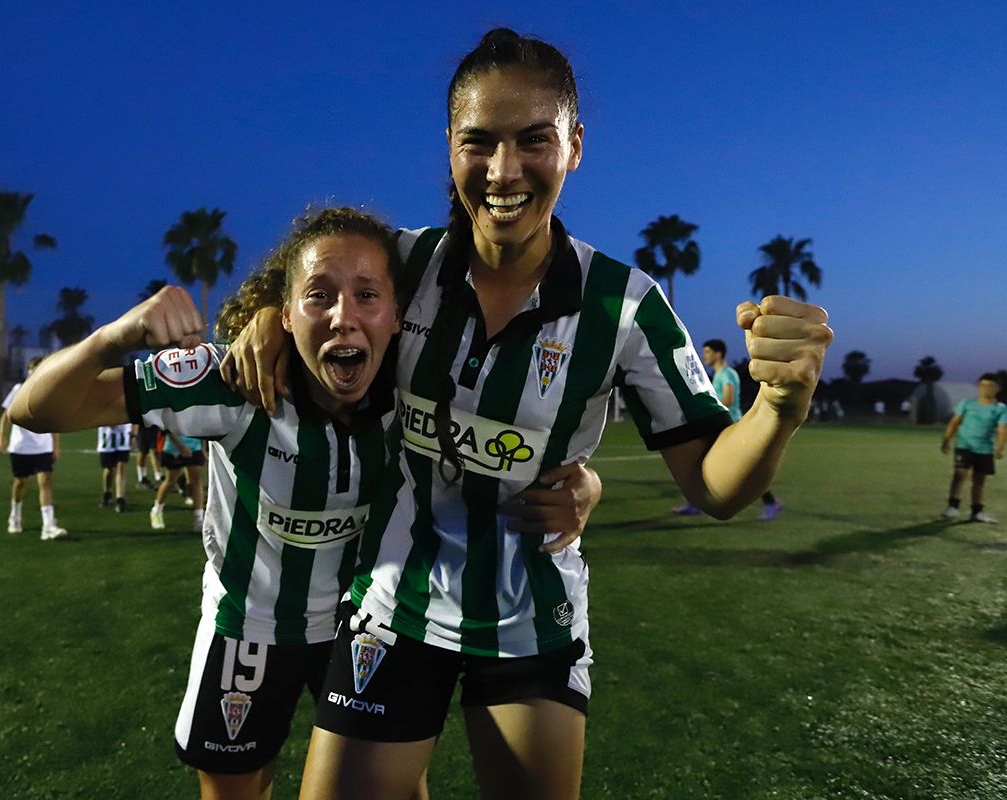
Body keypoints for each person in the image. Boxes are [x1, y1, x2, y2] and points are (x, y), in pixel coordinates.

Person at [222, 28, 833, 800]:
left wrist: (778, 405)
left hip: (531, 624)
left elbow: (713, 484)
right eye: (478, 142)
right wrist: (271, 321)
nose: (504, 171)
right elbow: (316, 295)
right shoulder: (402, 267)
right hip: (393, 606)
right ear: (448, 147)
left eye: (533, 140)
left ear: (574, 145)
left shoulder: (625, 306)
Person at [5, 206, 602, 800]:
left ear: (398, 315)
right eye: (318, 296)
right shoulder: (233, 382)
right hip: (249, 627)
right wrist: (114, 337)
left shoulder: (414, 384)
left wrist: (584, 485)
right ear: (285, 314)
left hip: (366, 622)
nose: (346, 317)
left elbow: (516, 438)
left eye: (368, 295)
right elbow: (36, 410)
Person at [673, 339, 783, 520]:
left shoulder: (727, 374)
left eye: (708, 352)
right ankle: (693, 504)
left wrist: (702, 412)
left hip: (730, 425)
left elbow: (729, 400)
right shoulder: (717, 375)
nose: (704, 356)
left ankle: (771, 503)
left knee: (747, 470)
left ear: (718, 354)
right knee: (700, 464)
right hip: (717, 425)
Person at [0, 357, 67, 540]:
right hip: (21, 447)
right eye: (32, 369)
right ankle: (15, 517)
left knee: (45, 482)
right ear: (28, 371)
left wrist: (56, 445)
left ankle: (48, 525)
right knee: (20, 483)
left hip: (43, 447)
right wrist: (1, 436)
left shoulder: (50, 392)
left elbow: (53, 420)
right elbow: (6, 416)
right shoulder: (18, 390)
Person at [940, 373, 1007, 523]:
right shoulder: (967, 403)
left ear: (998, 388)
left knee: (979, 481)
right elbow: (954, 422)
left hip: (984, 449)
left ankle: (977, 512)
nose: (986, 389)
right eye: (982, 385)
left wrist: (1000, 448)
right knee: (959, 476)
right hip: (964, 445)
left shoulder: (1000, 408)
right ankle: (953, 507)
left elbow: (1003, 429)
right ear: (978, 387)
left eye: (990, 386)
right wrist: (946, 440)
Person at [150, 430, 205, 531]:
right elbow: (166, 426)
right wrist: (180, 446)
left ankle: (199, 518)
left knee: (196, 481)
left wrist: (203, 447)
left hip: (195, 446)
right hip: (174, 448)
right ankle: (156, 510)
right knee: (170, 481)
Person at [97, 422, 132, 512]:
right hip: (107, 439)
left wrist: (134, 433)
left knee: (121, 467)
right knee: (109, 469)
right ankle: (107, 492)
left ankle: (120, 499)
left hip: (124, 437)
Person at [135, 421, 163, 488]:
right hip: (143, 428)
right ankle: (141, 478)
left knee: (153, 453)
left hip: (153, 427)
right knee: (142, 453)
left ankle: (158, 477)